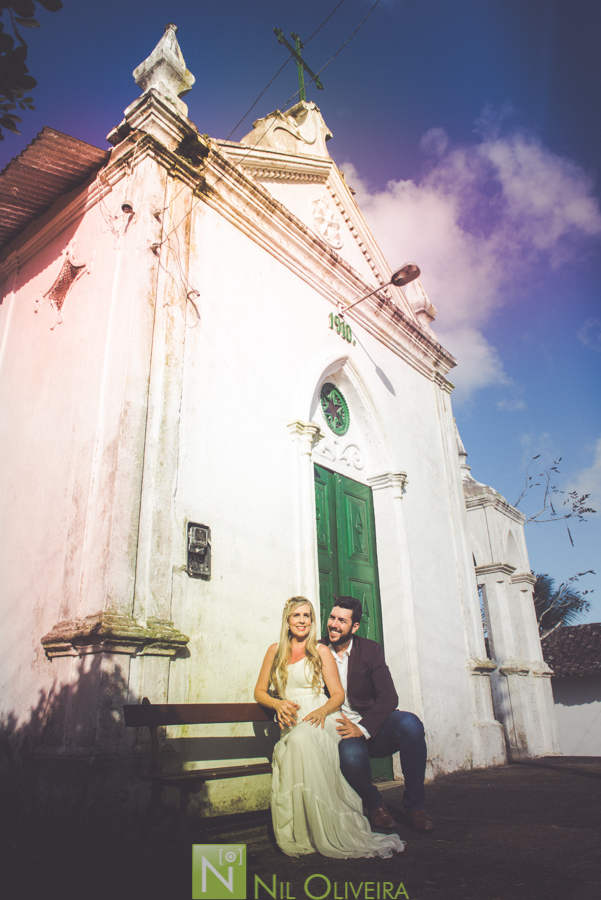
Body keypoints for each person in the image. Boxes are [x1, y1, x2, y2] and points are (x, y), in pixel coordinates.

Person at [254, 596, 404, 858]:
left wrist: (321, 712)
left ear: (312, 621)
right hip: (292, 721)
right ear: (287, 621)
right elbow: (259, 692)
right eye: (296, 616)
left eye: (307, 616)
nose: (302, 621)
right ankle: (304, 830)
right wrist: (277, 705)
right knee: (295, 745)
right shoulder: (274, 650)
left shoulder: (320, 650)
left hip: (322, 718)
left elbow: (337, 695)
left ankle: (330, 827)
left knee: (301, 740)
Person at [324, 596, 434, 834]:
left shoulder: (370, 650)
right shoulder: (318, 650)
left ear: (354, 627)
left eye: (341, 621)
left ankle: (415, 807)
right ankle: (374, 804)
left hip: (372, 728)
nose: (333, 624)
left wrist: (362, 728)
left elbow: (389, 698)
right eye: (332, 618)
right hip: (341, 732)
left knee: (410, 724)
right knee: (351, 755)